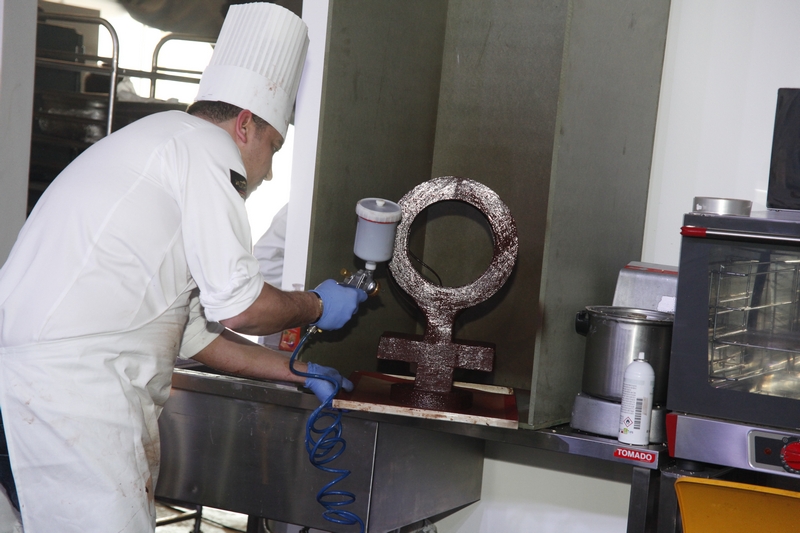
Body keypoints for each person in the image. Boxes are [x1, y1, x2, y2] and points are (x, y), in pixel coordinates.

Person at [0, 3, 365, 532]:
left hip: (31, 387)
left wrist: (295, 370)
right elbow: (240, 307)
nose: (267, 169)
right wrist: (316, 304)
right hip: (68, 397)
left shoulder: (161, 146)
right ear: (244, 125)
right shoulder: (205, 151)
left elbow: (195, 336)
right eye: (273, 145)